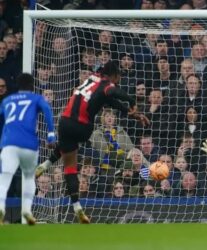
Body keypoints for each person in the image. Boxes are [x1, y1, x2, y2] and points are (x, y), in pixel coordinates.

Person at [49, 61, 148, 224]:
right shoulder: (106, 84)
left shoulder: (91, 79)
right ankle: (77, 207)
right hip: (83, 128)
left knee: (69, 167)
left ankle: (48, 166)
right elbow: (114, 92)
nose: (118, 80)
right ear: (114, 75)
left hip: (65, 122)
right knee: (72, 159)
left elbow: (109, 101)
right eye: (119, 77)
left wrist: (129, 113)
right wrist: (132, 102)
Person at [0, 73, 56, 225]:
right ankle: (26, 211)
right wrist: (51, 135)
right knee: (29, 176)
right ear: (32, 85)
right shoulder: (36, 98)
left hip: (9, 144)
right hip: (28, 144)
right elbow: (47, 111)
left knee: (4, 177)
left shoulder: (7, 100)